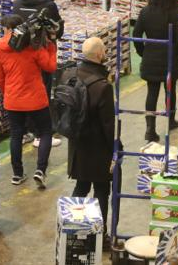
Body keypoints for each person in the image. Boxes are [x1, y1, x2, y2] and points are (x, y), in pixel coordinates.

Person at [0, 14, 57, 188]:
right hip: (36, 99)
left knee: (16, 135)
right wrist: (51, 47)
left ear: (8, 29)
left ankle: (17, 174)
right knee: (45, 132)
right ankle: (40, 170)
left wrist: (9, 94)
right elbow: (50, 67)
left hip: (13, 100)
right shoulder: (33, 47)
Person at [67, 37, 115, 248]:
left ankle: (71, 228)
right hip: (98, 149)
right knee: (102, 191)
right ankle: (99, 235)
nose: (106, 53)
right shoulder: (102, 87)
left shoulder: (71, 75)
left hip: (77, 145)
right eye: (104, 50)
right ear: (98, 55)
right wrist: (115, 149)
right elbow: (108, 125)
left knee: (81, 186)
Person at [13, 0, 64, 148]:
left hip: (21, 54)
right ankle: (40, 135)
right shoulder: (48, 5)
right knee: (42, 92)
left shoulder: (18, 3)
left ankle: (24, 133)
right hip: (41, 53)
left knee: (24, 90)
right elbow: (58, 29)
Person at [133, 0, 178, 142]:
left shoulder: (145, 12)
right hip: (169, 59)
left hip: (151, 57)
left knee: (152, 92)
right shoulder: (173, 13)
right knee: (170, 91)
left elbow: (136, 35)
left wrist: (143, 52)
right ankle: (170, 120)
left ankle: (150, 128)